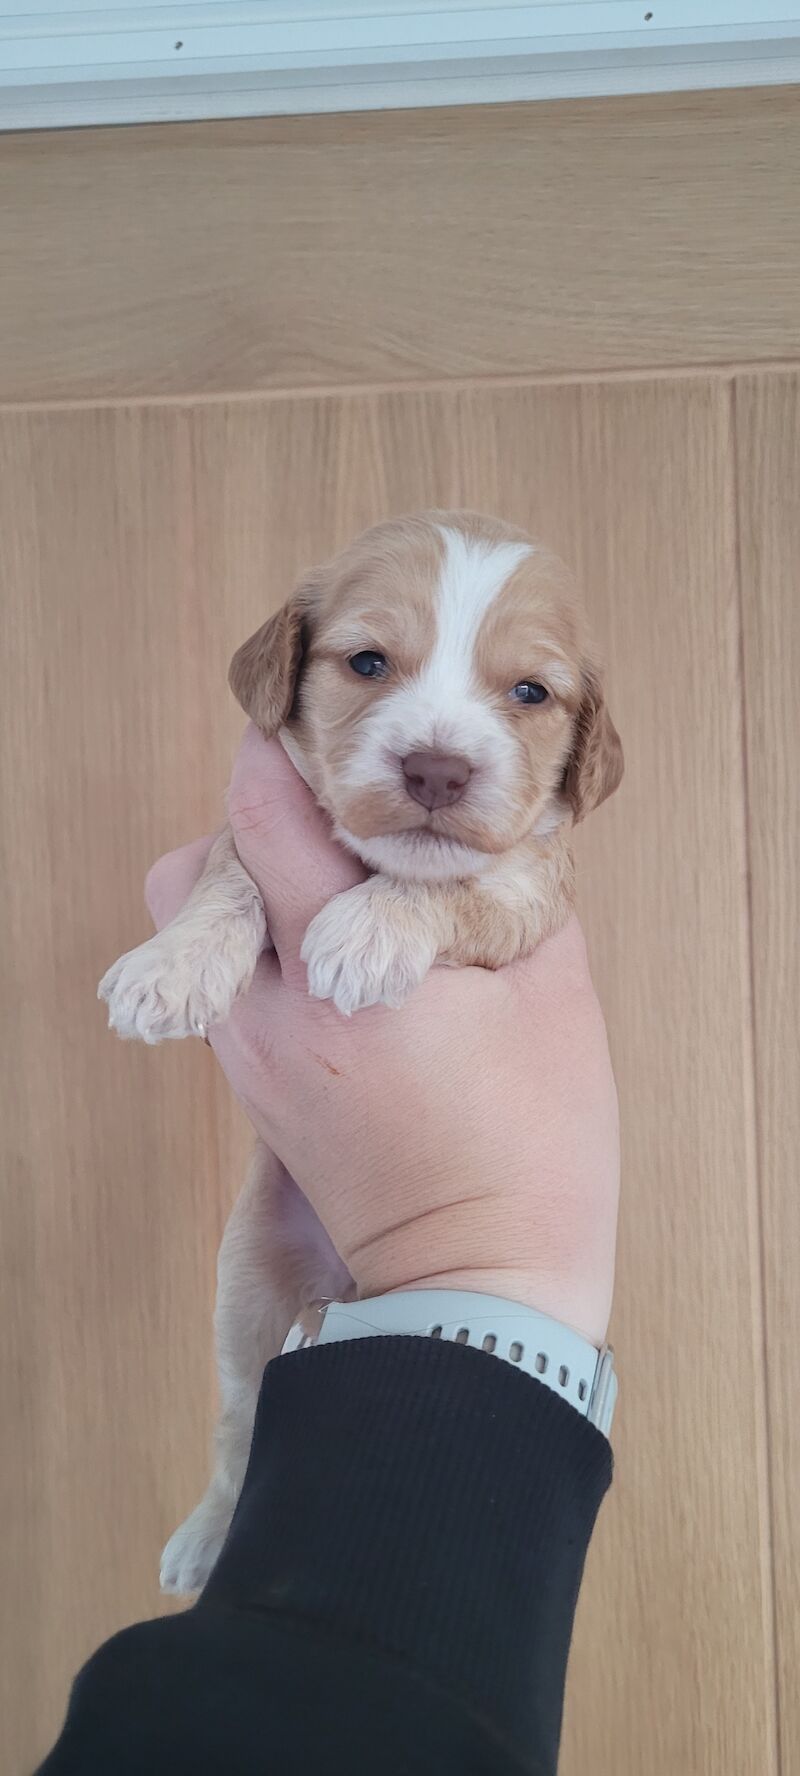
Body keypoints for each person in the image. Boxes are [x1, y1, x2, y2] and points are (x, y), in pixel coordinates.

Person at [38, 727, 620, 1775]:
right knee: (243, 1359)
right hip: (299, 1203)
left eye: (524, 693)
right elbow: (231, 866)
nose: (442, 738)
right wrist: (208, 935)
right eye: (367, 664)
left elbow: (516, 903)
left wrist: (409, 906)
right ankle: (226, 1490)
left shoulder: (521, 839)